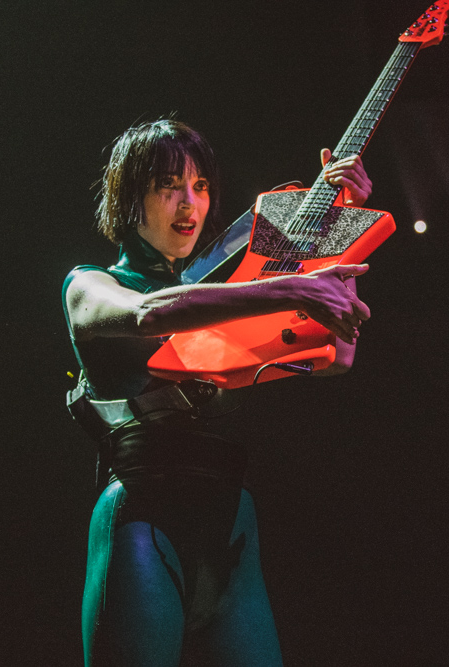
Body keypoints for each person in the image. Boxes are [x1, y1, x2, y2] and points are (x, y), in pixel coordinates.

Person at [63, 118, 373, 666]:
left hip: (232, 532)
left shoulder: (224, 296)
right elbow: (148, 314)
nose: (190, 203)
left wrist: (339, 230)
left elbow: (335, 359)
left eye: (200, 186)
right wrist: (292, 286)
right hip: (143, 523)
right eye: (168, 186)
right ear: (130, 198)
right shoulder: (89, 285)